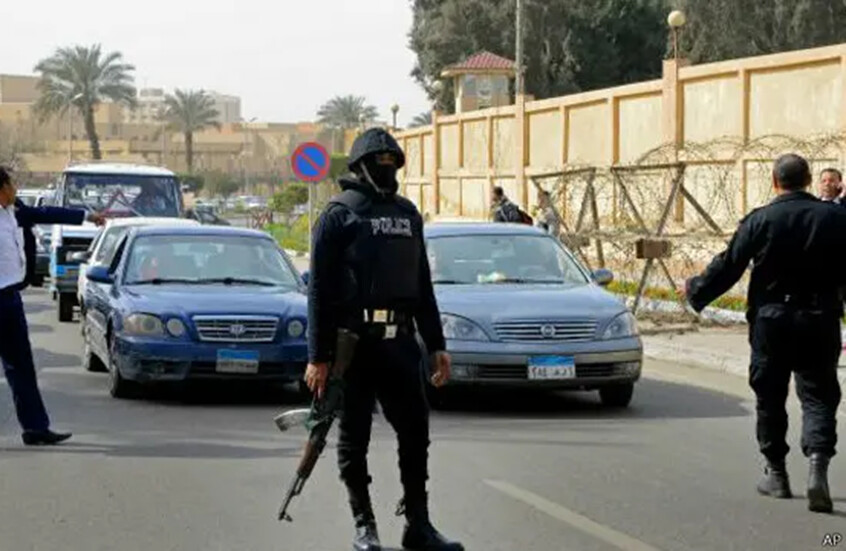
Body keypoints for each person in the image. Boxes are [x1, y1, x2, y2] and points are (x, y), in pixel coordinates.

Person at [305, 128, 463, 551]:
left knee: (415, 435)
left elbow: (422, 284)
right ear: (360, 167)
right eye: (379, 163)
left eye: (393, 162)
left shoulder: (408, 214)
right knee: (353, 438)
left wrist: (437, 344)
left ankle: (419, 525)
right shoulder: (338, 215)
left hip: (400, 344)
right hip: (353, 348)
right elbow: (318, 292)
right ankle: (365, 526)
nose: (387, 169)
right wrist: (318, 357)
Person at [681, 154, 846, 514]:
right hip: (820, 319)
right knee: (819, 396)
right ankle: (818, 466)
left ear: (775, 181)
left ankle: (777, 473)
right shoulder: (835, 218)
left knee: (770, 396)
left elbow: (730, 264)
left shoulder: (761, 219)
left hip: (772, 321)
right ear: (808, 181)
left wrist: (696, 290)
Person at [0, 166, 105, 445]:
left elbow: (47, 213)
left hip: (10, 299)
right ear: (2, 188)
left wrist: (87, 216)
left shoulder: (15, 211)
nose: (15, 189)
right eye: (11, 184)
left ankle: (35, 428)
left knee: (21, 366)